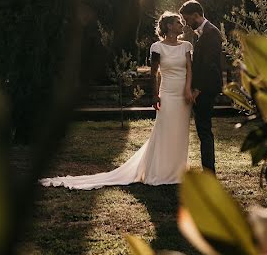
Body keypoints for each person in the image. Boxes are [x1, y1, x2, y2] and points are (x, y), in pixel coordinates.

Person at [39, 12, 194, 189]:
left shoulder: (186, 46)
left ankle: (178, 171)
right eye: (177, 22)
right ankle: (159, 171)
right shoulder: (157, 47)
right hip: (167, 93)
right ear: (168, 26)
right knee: (164, 130)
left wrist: (188, 90)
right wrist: (154, 95)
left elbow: (189, 69)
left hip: (182, 95)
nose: (181, 24)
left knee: (180, 131)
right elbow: (153, 74)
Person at [179, 0, 225, 174]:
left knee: (204, 131)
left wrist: (197, 89)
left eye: (187, 19)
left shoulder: (211, 33)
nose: (186, 24)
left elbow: (209, 65)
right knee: (203, 130)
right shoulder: (204, 32)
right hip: (202, 89)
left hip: (205, 90)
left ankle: (209, 172)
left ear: (196, 15)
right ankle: (208, 170)